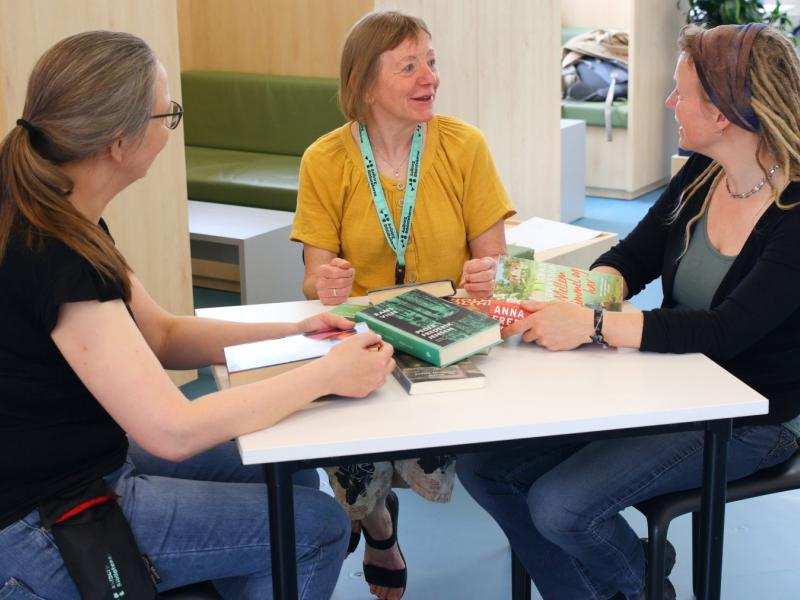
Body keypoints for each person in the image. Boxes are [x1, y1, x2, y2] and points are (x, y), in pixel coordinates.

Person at [0, 31, 396, 600]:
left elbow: (159, 334)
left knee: (282, 468)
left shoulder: (52, 207)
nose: (170, 128)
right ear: (120, 141)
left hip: (69, 460)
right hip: (40, 515)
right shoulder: (55, 250)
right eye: (167, 114)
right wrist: (326, 375)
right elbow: (171, 431)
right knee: (316, 528)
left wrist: (293, 331)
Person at [457, 23, 800, 600]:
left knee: (560, 507)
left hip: (755, 416)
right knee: (484, 468)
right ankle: (629, 580)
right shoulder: (702, 173)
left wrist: (591, 324)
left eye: (681, 92)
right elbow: (632, 257)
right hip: (674, 383)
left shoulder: (794, 212)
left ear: (722, 113)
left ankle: (639, 586)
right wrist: (555, 292)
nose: (670, 103)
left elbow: (726, 331)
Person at [290, 10, 515, 600]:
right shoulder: (325, 158)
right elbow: (316, 275)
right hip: (360, 333)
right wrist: (329, 284)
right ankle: (380, 529)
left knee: (423, 465)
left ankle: (377, 510)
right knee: (356, 464)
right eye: (409, 66)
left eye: (432, 62)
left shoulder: (463, 146)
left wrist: (485, 274)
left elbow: (496, 262)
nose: (430, 78)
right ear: (364, 84)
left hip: (444, 333)